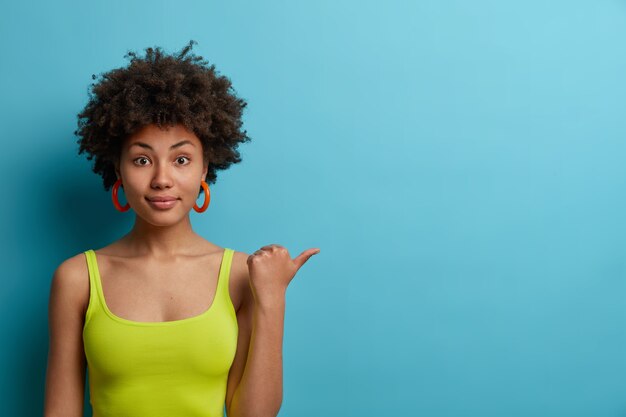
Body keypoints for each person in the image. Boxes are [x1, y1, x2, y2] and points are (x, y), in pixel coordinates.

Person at [43, 40, 320, 417]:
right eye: (142, 159)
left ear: (205, 169)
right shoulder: (77, 278)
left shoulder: (242, 274)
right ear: (119, 170)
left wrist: (272, 298)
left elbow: (253, 415)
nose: (162, 179)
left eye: (182, 159)